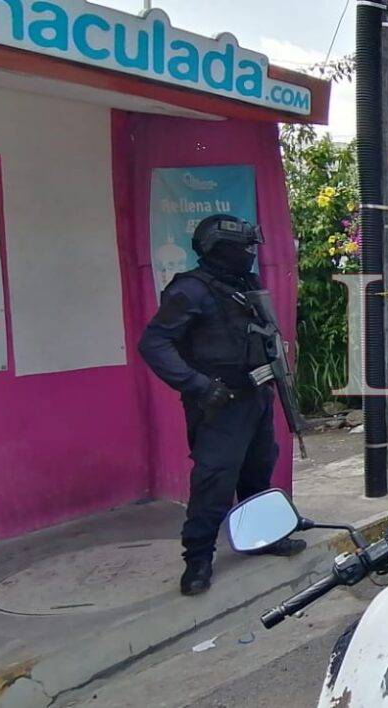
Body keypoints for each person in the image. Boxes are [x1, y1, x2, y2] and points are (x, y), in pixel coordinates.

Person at [140, 214, 305, 596]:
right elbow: (154, 343)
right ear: (219, 248)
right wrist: (197, 385)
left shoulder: (246, 284)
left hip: (255, 395)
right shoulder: (190, 290)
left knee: (257, 472)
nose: (250, 253)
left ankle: (261, 537)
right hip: (219, 402)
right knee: (214, 481)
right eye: (243, 247)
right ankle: (198, 559)